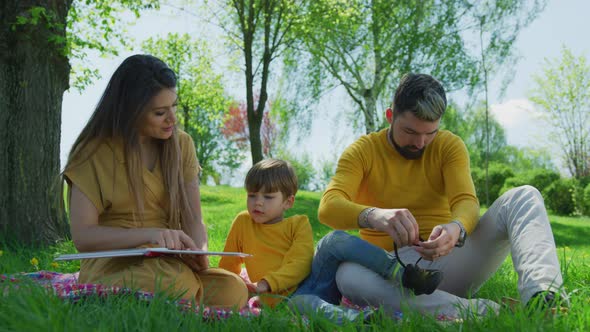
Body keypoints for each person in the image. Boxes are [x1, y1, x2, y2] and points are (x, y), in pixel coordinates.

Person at [318, 73, 567, 318]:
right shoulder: (362, 151)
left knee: (524, 196)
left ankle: (542, 298)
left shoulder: (449, 145)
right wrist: (375, 216)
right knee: (347, 275)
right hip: (389, 272)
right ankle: (487, 311)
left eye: (430, 132)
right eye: (410, 131)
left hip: (450, 260)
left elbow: (466, 201)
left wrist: (456, 228)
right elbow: (328, 207)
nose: (421, 142)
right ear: (390, 116)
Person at [61, 54, 247, 309]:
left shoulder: (182, 145)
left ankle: (181, 298)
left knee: (233, 289)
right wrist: (150, 235)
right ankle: (178, 297)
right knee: (174, 282)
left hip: (171, 265)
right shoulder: (92, 153)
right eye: (160, 112)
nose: (172, 119)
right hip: (113, 267)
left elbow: (193, 218)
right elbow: (84, 236)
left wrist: (199, 252)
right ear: (131, 111)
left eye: (174, 106)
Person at [219, 158, 442, 324]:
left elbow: (299, 263)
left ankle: (404, 274)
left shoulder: (298, 224)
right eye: (252, 195)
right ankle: (364, 321)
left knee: (334, 239)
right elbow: (228, 266)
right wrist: (225, 288)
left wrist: (265, 283)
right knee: (303, 304)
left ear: (288, 202)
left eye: (268, 197)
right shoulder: (243, 222)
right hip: (283, 302)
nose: (257, 203)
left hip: (315, 281)